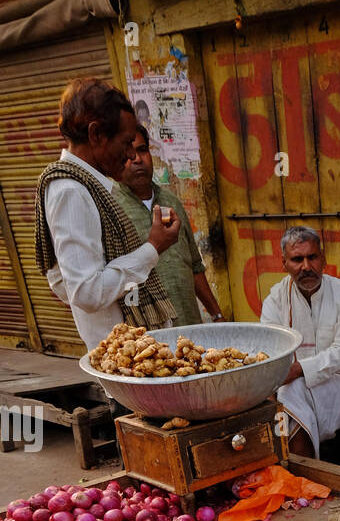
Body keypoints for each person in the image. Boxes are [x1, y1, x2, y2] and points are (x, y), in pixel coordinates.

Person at [35, 77, 180, 349]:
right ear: (96, 134)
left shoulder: (87, 187)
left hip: (127, 350)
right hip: (121, 358)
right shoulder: (71, 191)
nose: (129, 155)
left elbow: (61, 279)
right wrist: (153, 248)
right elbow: (85, 291)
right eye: (125, 142)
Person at [260, 225, 340, 459]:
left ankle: (301, 477)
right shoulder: (275, 300)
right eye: (297, 259)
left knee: (289, 394)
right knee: (282, 399)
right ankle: (301, 477)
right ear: (284, 263)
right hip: (287, 388)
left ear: (323, 258)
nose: (306, 267)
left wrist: (297, 370)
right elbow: (269, 352)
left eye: (312, 257)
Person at [114, 124, 224, 327]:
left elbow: (194, 265)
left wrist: (217, 315)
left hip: (189, 325)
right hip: (147, 335)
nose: (137, 159)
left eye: (142, 150)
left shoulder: (171, 202)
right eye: (128, 154)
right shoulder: (112, 208)